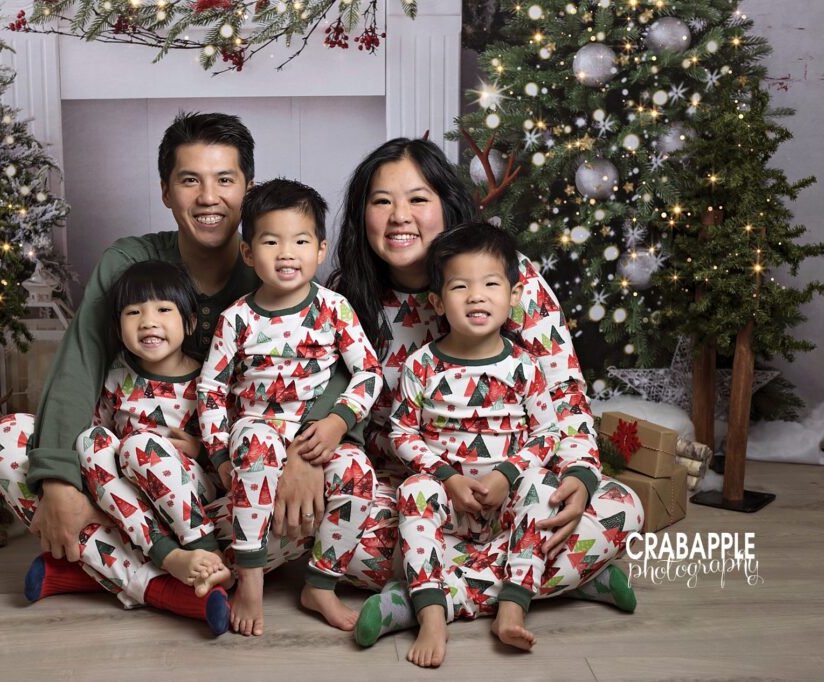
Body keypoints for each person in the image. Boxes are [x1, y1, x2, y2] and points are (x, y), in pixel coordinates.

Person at [0, 113, 339, 611]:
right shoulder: (129, 263)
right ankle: (174, 582)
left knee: (322, 489)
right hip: (122, 478)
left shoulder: (279, 268)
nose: (208, 197)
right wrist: (60, 483)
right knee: (6, 443)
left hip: (224, 480)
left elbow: (337, 366)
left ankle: (111, 570)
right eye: (190, 180)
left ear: (249, 189)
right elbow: (78, 367)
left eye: (225, 180)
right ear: (166, 191)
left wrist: (305, 453)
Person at [325, 138, 643, 665]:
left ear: (448, 206)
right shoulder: (344, 296)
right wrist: (439, 472)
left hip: (519, 483)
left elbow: (562, 395)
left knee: (620, 509)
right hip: (416, 491)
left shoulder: (505, 276)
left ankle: (424, 601)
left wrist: (581, 474)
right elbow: (356, 421)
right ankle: (546, 579)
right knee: (341, 539)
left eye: (417, 199)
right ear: (362, 216)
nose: (399, 216)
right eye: (381, 201)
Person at [198, 179, 383, 635]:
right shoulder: (236, 318)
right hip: (257, 429)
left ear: (320, 250)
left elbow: (369, 372)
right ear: (247, 253)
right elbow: (211, 390)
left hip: (313, 433)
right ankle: (252, 580)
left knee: (358, 471)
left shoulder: (334, 308)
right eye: (271, 241)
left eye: (300, 241)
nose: (286, 253)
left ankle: (321, 582)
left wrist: (338, 422)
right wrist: (221, 454)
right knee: (258, 444)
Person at [389, 223, 565, 664]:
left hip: (505, 506)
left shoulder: (525, 366)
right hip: (449, 505)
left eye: (491, 284)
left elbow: (548, 433)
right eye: (460, 286)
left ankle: (511, 608)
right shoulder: (422, 365)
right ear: (437, 301)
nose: (476, 296)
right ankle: (432, 616)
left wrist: (508, 475)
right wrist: (445, 478)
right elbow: (402, 432)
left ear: (514, 296)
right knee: (412, 491)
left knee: (543, 487)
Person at [74, 260, 235, 621]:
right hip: (134, 506)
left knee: (138, 446)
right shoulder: (117, 377)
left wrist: (200, 451)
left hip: (193, 497)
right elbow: (98, 443)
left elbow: (229, 452)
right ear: (119, 325)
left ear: (190, 322)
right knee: (91, 439)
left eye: (164, 309)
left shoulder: (207, 380)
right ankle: (169, 557)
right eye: (134, 312)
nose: (148, 321)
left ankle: (206, 553)